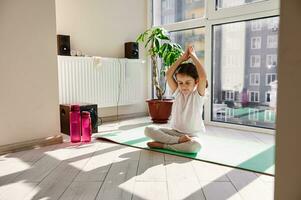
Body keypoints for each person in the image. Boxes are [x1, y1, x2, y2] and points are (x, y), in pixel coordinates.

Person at [144, 45, 207, 153]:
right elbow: (168, 75)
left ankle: (164, 145)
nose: (183, 86)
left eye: (188, 82)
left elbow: (202, 77)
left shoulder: (198, 95)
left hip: (191, 136)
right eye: (180, 83)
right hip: (175, 133)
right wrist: (182, 58)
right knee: (148, 129)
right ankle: (177, 141)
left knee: (196, 146)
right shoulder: (178, 93)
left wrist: (193, 56)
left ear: (196, 82)